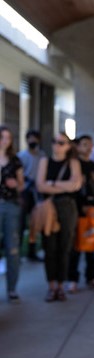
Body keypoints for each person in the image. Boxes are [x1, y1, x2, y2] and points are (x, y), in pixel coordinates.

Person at [36, 132, 82, 302]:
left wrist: (53, 184)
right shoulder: (44, 161)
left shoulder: (73, 163)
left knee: (65, 246)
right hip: (48, 207)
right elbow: (40, 186)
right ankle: (51, 285)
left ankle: (61, 285)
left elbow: (76, 185)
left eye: (61, 142)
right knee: (50, 247)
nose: (57, 145)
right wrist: (65, 186)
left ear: (68, 146)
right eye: (54, 141)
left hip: (67, 207)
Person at [67, 135, 94, 292]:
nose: (87, 147)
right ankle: (72, 279)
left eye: (90, 144)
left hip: (93, 211)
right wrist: (81, 206)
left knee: (92, 244)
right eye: (84, 144)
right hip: (77, 210)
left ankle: (91, 276)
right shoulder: (73, 165)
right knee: (75, 246)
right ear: (77, 147)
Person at [0, 125, 24, 302]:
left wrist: (15, 185)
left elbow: (22, 184)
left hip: (10, 205)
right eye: (2, 137)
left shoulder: (15, 160)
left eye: (8, 138)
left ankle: (12, 288)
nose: (5, 141)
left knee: (12, 247)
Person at [17, 129, 46, 261]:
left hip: (37, 192)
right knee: (21, 223)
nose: (33, 141)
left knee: (34, 223)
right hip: (25, 192)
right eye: (30, 138)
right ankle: (16, 253)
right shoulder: (21, 156)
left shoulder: (42, 156)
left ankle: (32, 251)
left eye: (35, 138)